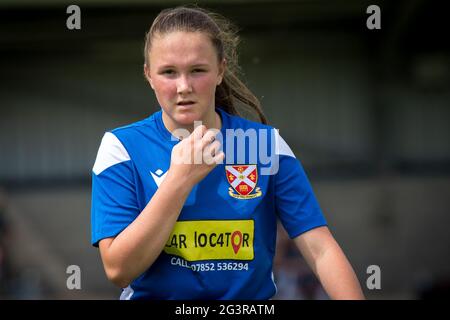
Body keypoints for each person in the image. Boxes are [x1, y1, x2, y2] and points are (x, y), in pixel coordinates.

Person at [91, 5, 365, 300]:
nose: (184, 87)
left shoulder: (265, 145)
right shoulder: (121, 148)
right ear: (148, 75)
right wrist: (179, 180)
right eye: (169, 72)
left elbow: (321, 250)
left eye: (197, 70)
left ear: (220, 70)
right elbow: (118, 269)